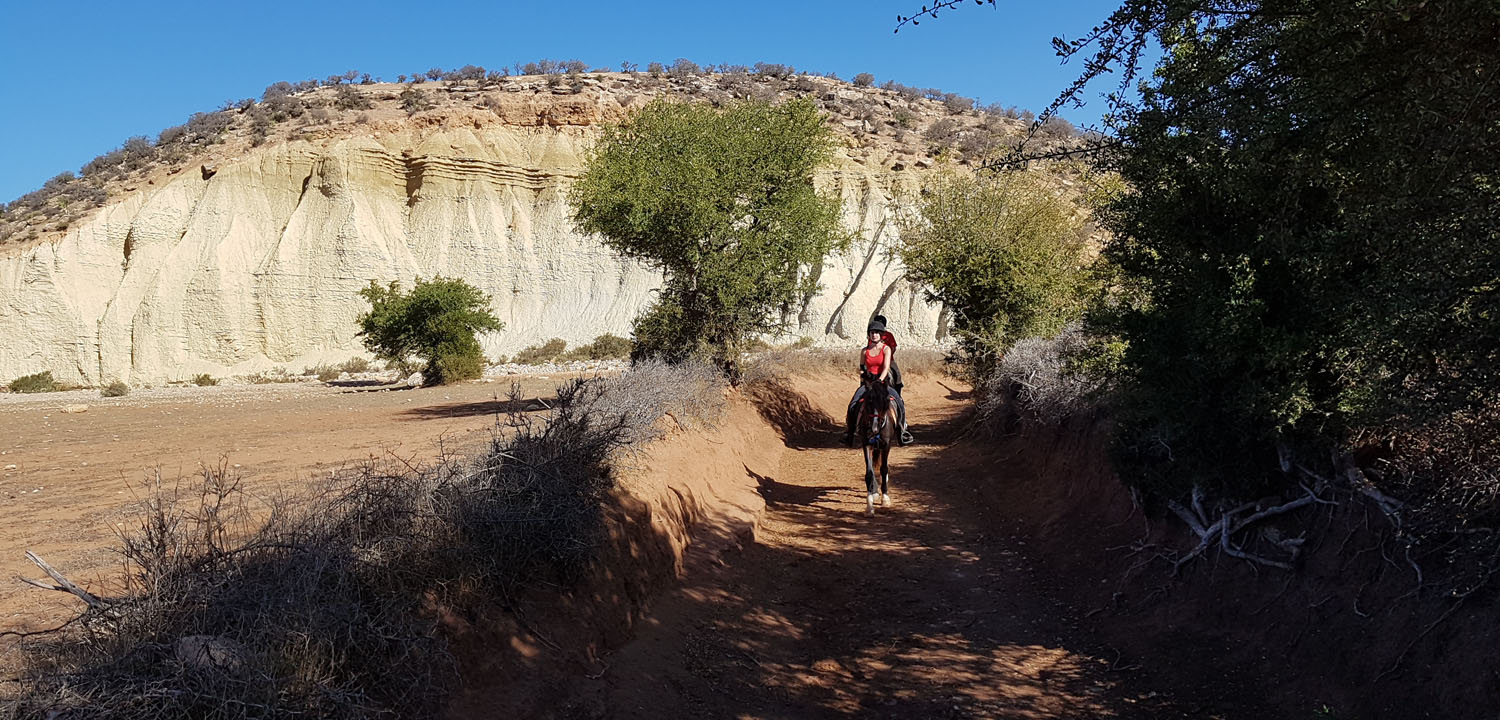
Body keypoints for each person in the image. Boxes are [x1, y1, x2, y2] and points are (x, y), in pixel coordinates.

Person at [843, 316, 914, 446]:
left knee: (899, 401)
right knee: (853, 404)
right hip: (868, 383)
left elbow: (886, 367)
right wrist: (864, 379)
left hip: (882, 382)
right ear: (869, 334)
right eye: (872, 333)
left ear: (881, 335)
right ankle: (850, 432)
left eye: (876, 333)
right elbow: (862, 368)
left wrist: (879, 380)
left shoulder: (886, 349)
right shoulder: (864, 351)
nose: (874, 335)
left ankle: (902, 431)